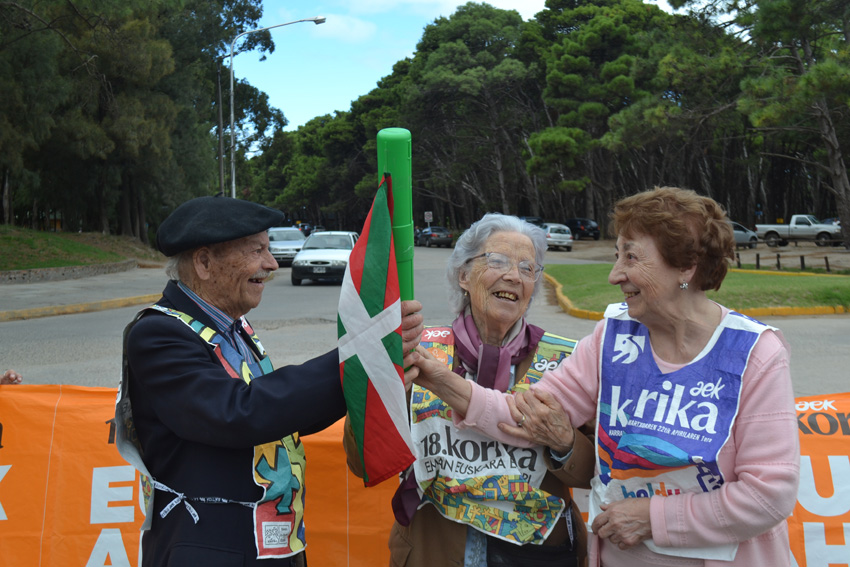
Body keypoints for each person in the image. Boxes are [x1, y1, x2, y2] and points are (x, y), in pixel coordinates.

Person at [411, 187, 800, 567]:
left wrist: (653, 518)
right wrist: (438, 378)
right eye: (617, 256)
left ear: (686, 267)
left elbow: (768, 495)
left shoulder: (754, 354)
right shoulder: (612, 336)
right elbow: (524, 415)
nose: (615, 275)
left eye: (631, 258)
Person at [114, 196, 423, 567]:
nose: (272, 263)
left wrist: (368, 372)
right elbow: (238, 413)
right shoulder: (158, 334)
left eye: (269, 248)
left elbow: (280, 416)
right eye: (257, 250)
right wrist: (356, 359)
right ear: (205, 262)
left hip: (271, 548)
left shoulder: (231, 326)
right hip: (212, 552)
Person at [346, 213, 595, 567]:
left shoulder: (566, 360)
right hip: (433, 549)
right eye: (497, 261)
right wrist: (381, 394)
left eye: (528, 268)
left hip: (538, 555)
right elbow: (361, 463)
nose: (514, 275)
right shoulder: (416, 351)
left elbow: (591, 473)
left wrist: (563, 442)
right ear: (464, 275)